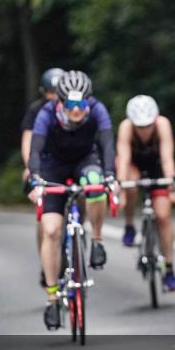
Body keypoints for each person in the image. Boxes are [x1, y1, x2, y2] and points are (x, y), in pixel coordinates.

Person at [27, 70, 118, 329]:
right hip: (52, 167)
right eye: (70, 104)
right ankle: (52, 296)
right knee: (52, 230)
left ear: (88, 101)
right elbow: (35, 149)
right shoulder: (46, 114)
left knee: (96, 184)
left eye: (81, 104)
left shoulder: (98, 110)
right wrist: (34, 177)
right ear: (60, 102)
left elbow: (107, 144)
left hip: (84, 162)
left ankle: (97, 240)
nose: (76, 110)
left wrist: (110, 174)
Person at [116, 95, 175, 291]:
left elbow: (167, 158)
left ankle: (169, 269)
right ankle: (129, 224)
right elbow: (123, 159)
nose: (144, 130)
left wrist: (173, 187)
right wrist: (121, 190)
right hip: (134, 164)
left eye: (147, 125)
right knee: (129, 185)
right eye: (140, 126)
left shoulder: (162, 124)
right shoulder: (126, 127)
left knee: (163, 216)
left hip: (157, 166)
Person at [21, 67, 64, 287]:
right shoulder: (37, 111)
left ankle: (79, 230)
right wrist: (30, 167)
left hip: (68, 163)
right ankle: (46, 260)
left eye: (57, 91)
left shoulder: (73, 110)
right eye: (50, 92)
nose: (54, 96)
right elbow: (28, 141)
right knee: (44, 217)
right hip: (45, 163)